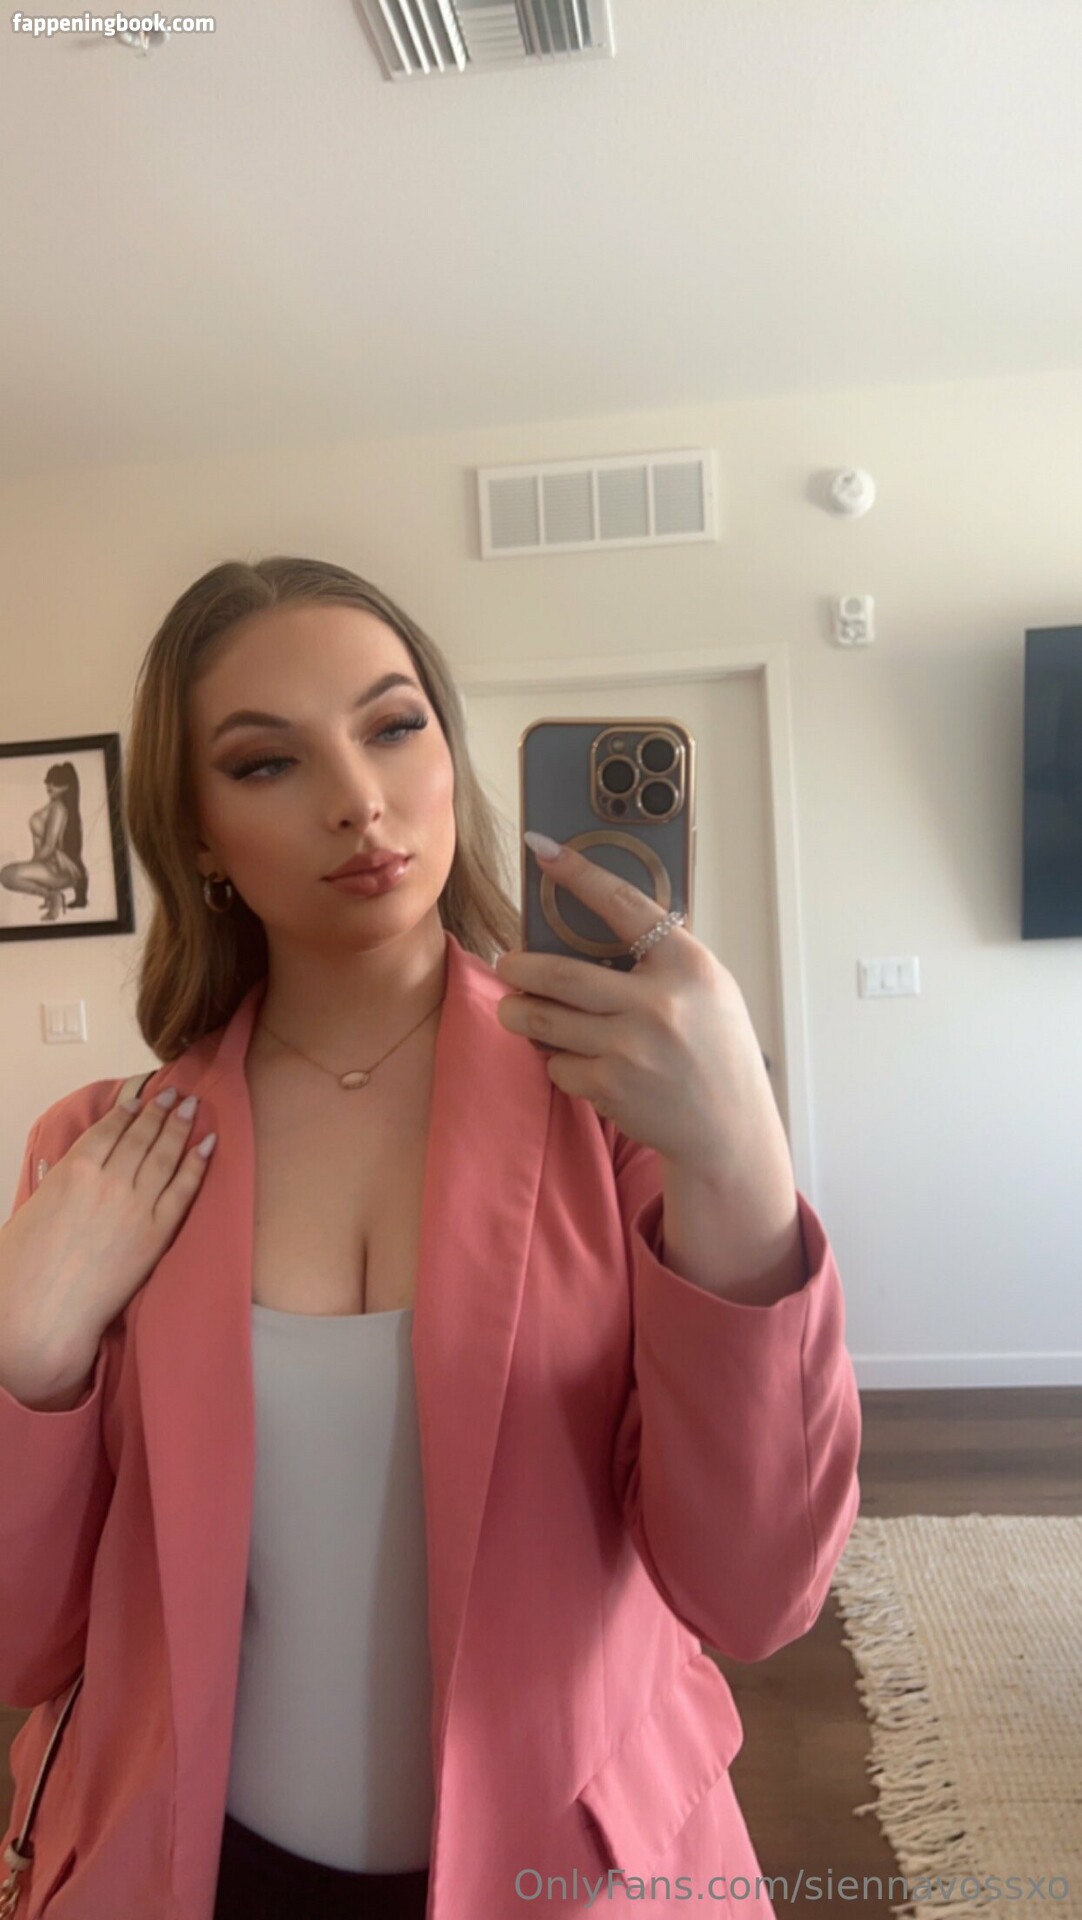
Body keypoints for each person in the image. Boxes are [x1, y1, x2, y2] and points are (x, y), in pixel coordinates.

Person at [0, 556, 862, 1920]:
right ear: (199, 838)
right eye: (266, 762)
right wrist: (25, 1356)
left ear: (451, 754)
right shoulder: (103, 1154)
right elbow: (25, 1645)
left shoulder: (618, 1121)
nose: (358, 798)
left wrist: (739, 1160)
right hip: (191, 1874)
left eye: (393, 726)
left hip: (570, 1874)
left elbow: (755, 1596)